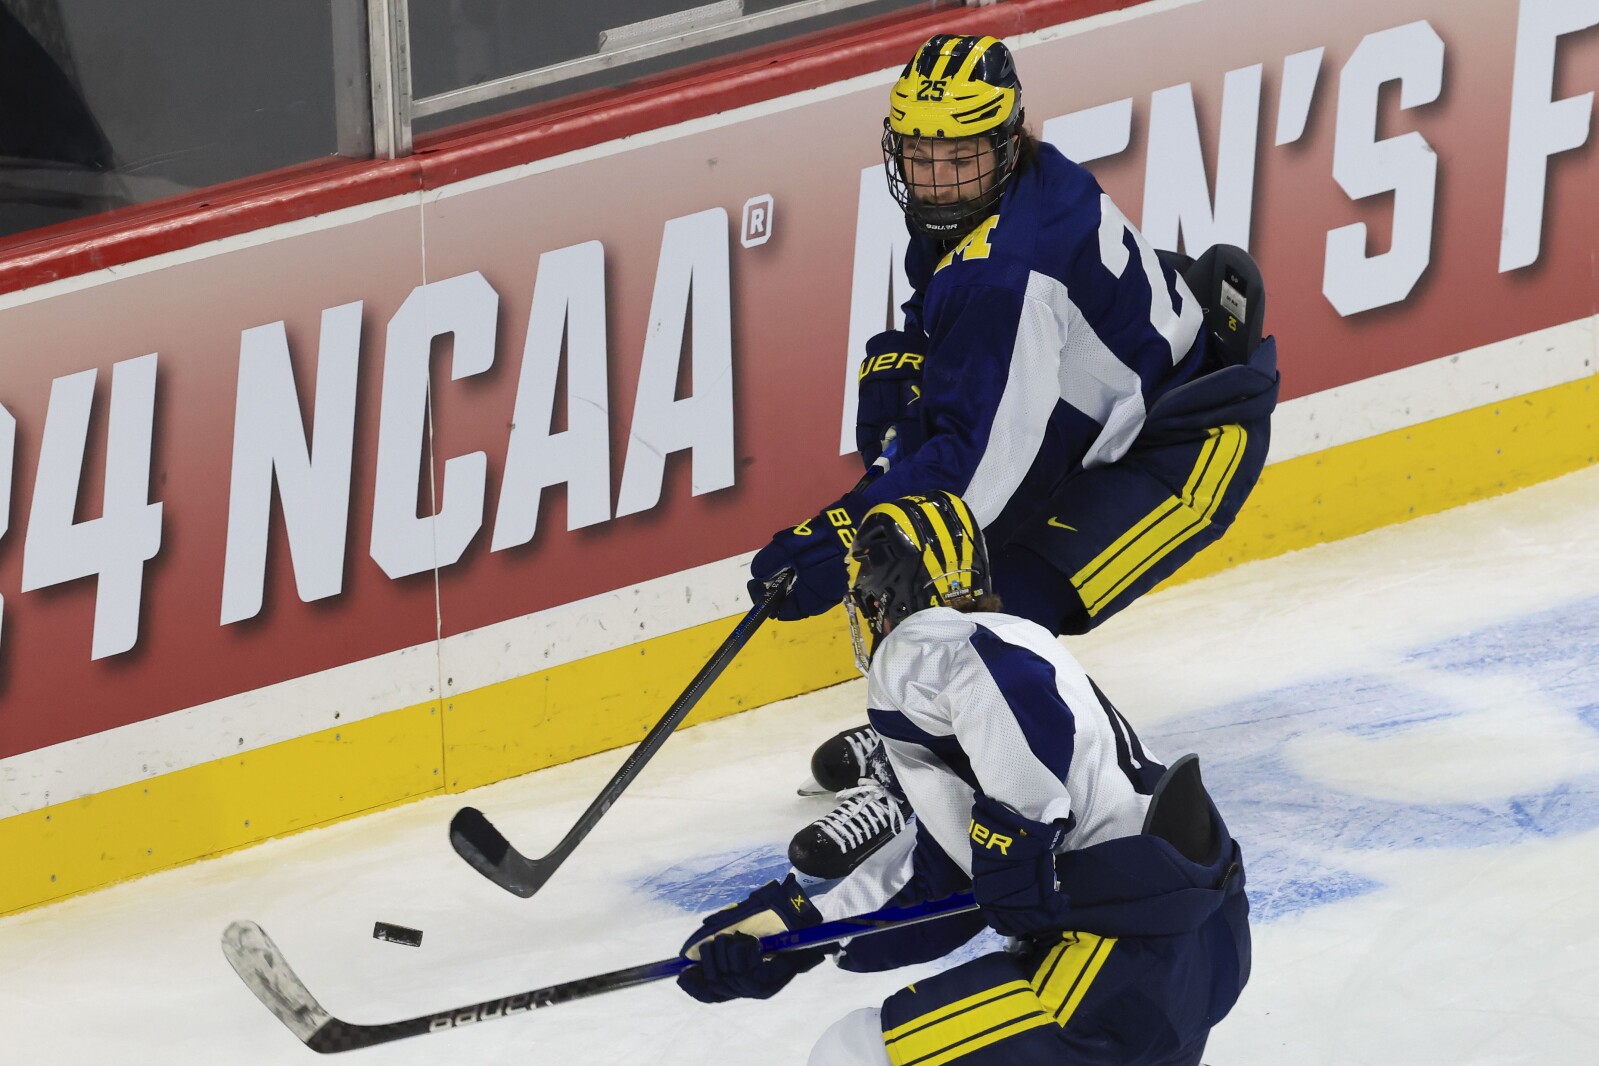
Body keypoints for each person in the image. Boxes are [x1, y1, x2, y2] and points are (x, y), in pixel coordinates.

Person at [750, 33, 1279, 879]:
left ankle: (1010, 784)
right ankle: (929, 731)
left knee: (993, 607)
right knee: (930, 559)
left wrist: (839, 538)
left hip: (1179, 450)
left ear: (1006, 140)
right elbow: (963, 345)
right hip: (1093, 422)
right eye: (920, 156)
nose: (937, 179)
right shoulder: (1004, 192)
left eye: (959, 158)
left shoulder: (1011, 271)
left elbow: (970, 477)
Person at [684, 492, 1251, 1065]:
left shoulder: (926, 643)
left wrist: (1015, 835)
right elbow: (943, 877)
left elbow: (1009, 701)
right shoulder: (1020, 636)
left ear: (883, 596)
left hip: (1114, 967)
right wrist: (795, 929)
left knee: (854, 1053)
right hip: (1203, 944)